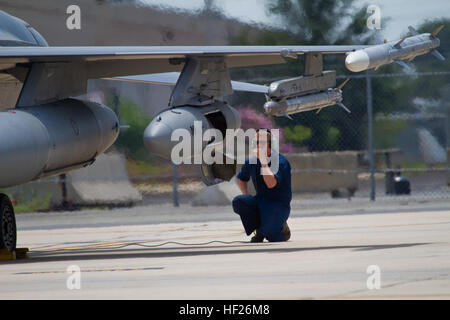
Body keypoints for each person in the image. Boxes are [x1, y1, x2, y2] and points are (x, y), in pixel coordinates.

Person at [232, 128, 291, 242]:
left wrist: (263, 161)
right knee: (239, 201)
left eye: (261, 143)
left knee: (273, 238)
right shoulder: (252, 161)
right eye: (256, 142)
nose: (258, 145)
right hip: (261, 201)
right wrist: (246, 196)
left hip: (278, 205)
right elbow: (242, 178)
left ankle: (281, 228)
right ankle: (259, 228)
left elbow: (271, 184)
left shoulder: (280, 161)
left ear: (270, 144)